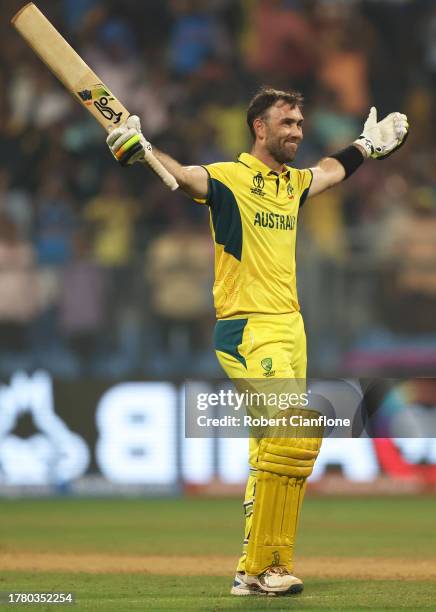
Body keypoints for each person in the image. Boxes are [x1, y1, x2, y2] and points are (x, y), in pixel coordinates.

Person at [106, 86, 408, 597]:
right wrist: (144, 150)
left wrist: (365, 147)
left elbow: (330, 172)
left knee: (275, 451)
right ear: (259, 128)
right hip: (247, 326)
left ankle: (258, 570)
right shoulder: (228, 178)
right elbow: (184, 178)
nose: (297, 131)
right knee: (292, 436)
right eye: (286, 122)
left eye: (299, 123)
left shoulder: (291, 184)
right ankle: (266, 567)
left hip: (291, 327)